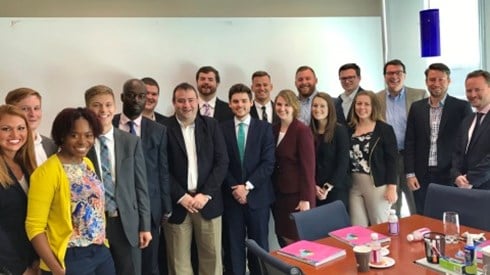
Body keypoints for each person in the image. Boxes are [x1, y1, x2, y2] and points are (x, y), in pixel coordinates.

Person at [26, 107, 116, 275]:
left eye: (88, 135)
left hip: (100, 251)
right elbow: (34, 227)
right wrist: (56, 269)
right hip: (70, 256)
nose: (82, 141)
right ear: (62, 136)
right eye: (74, 135)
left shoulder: (87, 164)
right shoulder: (46, 172)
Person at [84, 85, 152, 275]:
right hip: (93, 225)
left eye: (108, 105)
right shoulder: (81, 143)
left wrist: (145, 226)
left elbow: (141, 187)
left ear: (115, 106)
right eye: (96, 106)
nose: (103, 110)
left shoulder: (130, 142)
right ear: (87, 109)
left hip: (125, 223)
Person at [164, 82, 228, 275]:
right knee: (178, 263)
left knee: (212, 260)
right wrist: (182, 196)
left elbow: (222, 161)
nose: (187, 105)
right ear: (174, 103)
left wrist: (206, 194)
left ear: (197, 101)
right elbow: (161, 168)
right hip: (178, 204)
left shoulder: (211, 125)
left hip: (207, 203)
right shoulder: (163, 128)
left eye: (191, 100)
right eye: (181, 101)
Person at [112, 79, 171, 275]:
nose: (136, 100)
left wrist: (166, 206)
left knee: (148, 265)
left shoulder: (158, 130)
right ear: (122, 97)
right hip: (116, 209)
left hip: (150, 208)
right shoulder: (108, 125)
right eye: (131, 95)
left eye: (141, 96)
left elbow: (162, 171)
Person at [220, 84, 275, 275]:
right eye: (235, 101)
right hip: (231, 198)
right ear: (229, 104)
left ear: (251, 102)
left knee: (259, 249)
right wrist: (235, 187)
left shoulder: (265, 128)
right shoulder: (222, 128)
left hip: (258, 198)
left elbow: (268, 163)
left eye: (244, 101)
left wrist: (248, 187)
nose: (240, 105)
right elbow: (221, 163)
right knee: (233, 248)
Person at [405, 63, 472, 214]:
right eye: (432, 79)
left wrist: (461, 173)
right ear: (426, 82)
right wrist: (410, 173)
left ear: (449, 81)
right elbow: (410, 142)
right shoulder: (417, 107)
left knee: (450, 216)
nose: (436, 84)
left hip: (450, 174)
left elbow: (467, 144)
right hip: (421, 175)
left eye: (441, 79)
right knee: (423, 215)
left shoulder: (461, 107)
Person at [376, 59, 427, 216]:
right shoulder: (376, 98)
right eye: (390, 73)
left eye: (398, 73)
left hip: (411, 158)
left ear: (404, 75)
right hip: (387, 159)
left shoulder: (419, 95)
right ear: (385, 76)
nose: (394, 76)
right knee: (391, 205)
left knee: (415, 202)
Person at [272, 89, 316, 246]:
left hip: (297, 196)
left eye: (286, 105)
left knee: (297, 238)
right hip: (279, 194)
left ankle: (299, 270)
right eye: (279, 104)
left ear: (294, 107)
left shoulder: (301, 130)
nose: (282, 108)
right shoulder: (274, 129)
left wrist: (306, 198)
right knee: (283, 235)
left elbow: (308, 168)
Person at [348, 90, 398, 226]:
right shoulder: (348, 129)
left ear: (373, 107)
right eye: (358, 103)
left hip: (376, 185)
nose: (362, 107)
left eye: (366, 104)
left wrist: (392, 187)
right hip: (354, 185)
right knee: (357, 228)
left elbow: (392, 160)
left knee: (379, 226)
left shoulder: (384, 129)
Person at [0, 105, 38, 275]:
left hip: (33, 259)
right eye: (6, 129)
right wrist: (19, 269)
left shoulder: (28, 166)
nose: (15, 135)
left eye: (21, 128)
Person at [310, 92, 351, 209]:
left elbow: (343, 163)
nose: (318, 109)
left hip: (336, 189)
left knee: (338, 226)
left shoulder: (339, 131)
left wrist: (327, 188)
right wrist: (313, 186)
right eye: (315, 105)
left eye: (322, 106)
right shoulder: (308, 131)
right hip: (315, 190)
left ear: (330, 109)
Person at [451, 70, 490, 189]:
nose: (472, 94)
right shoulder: (467, 120)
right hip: (465, 189)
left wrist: (469, 180)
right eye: (469, 90)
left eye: (477, 90)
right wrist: (456, 175)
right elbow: (457, 153)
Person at [5, 88, 57, 165]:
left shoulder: (51, 146)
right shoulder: (7, 146)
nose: (32, 114)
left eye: (36, 108)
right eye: (25, 109)